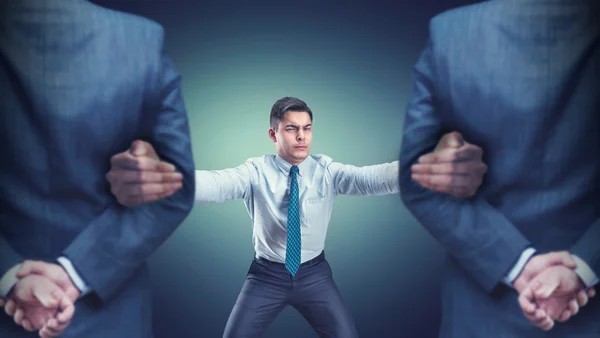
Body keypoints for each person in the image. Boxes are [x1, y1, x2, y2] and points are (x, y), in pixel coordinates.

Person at [102, 96, 488, 337]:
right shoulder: (254, 171)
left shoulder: (327, 169)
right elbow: (215, 185)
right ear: (273, 135)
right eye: (291, 129)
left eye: (306, 129)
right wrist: (166, 181)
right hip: (266, 276)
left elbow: (373, 178)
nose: (302, 137)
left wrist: (422, 169)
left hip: (314, 275)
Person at [399, 0, 599, 336]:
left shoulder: (451, 34)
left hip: (480, 317)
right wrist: (582, 265)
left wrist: (517, 264)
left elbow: (417, 178)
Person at [0, 0, 195, 337]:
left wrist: (9, 274)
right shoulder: (141, 40)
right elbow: (175, 187)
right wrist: (75, 273)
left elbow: (171, 184)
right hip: (112, 317)